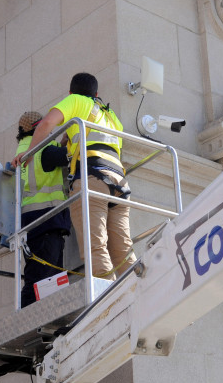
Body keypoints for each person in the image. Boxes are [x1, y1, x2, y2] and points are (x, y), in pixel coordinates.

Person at [13, 73, 135, 280]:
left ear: (70, 93)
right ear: (96, 94)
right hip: (120, 183)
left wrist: (30, 152)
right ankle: (135, 288)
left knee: (95, 246)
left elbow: (46, 124)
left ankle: (109, 303)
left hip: (92, 179)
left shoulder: (76, 101)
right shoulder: (111, 116)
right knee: (123, 249)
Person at [15, 111, 71, 307]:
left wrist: (63, 142)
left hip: (34, 222)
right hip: (45, 220)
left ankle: (47, 315)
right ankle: (24, 321)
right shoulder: (42, 148)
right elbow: (67, 157)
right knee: (42, 276)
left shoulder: (24, 149)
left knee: (44, 275)